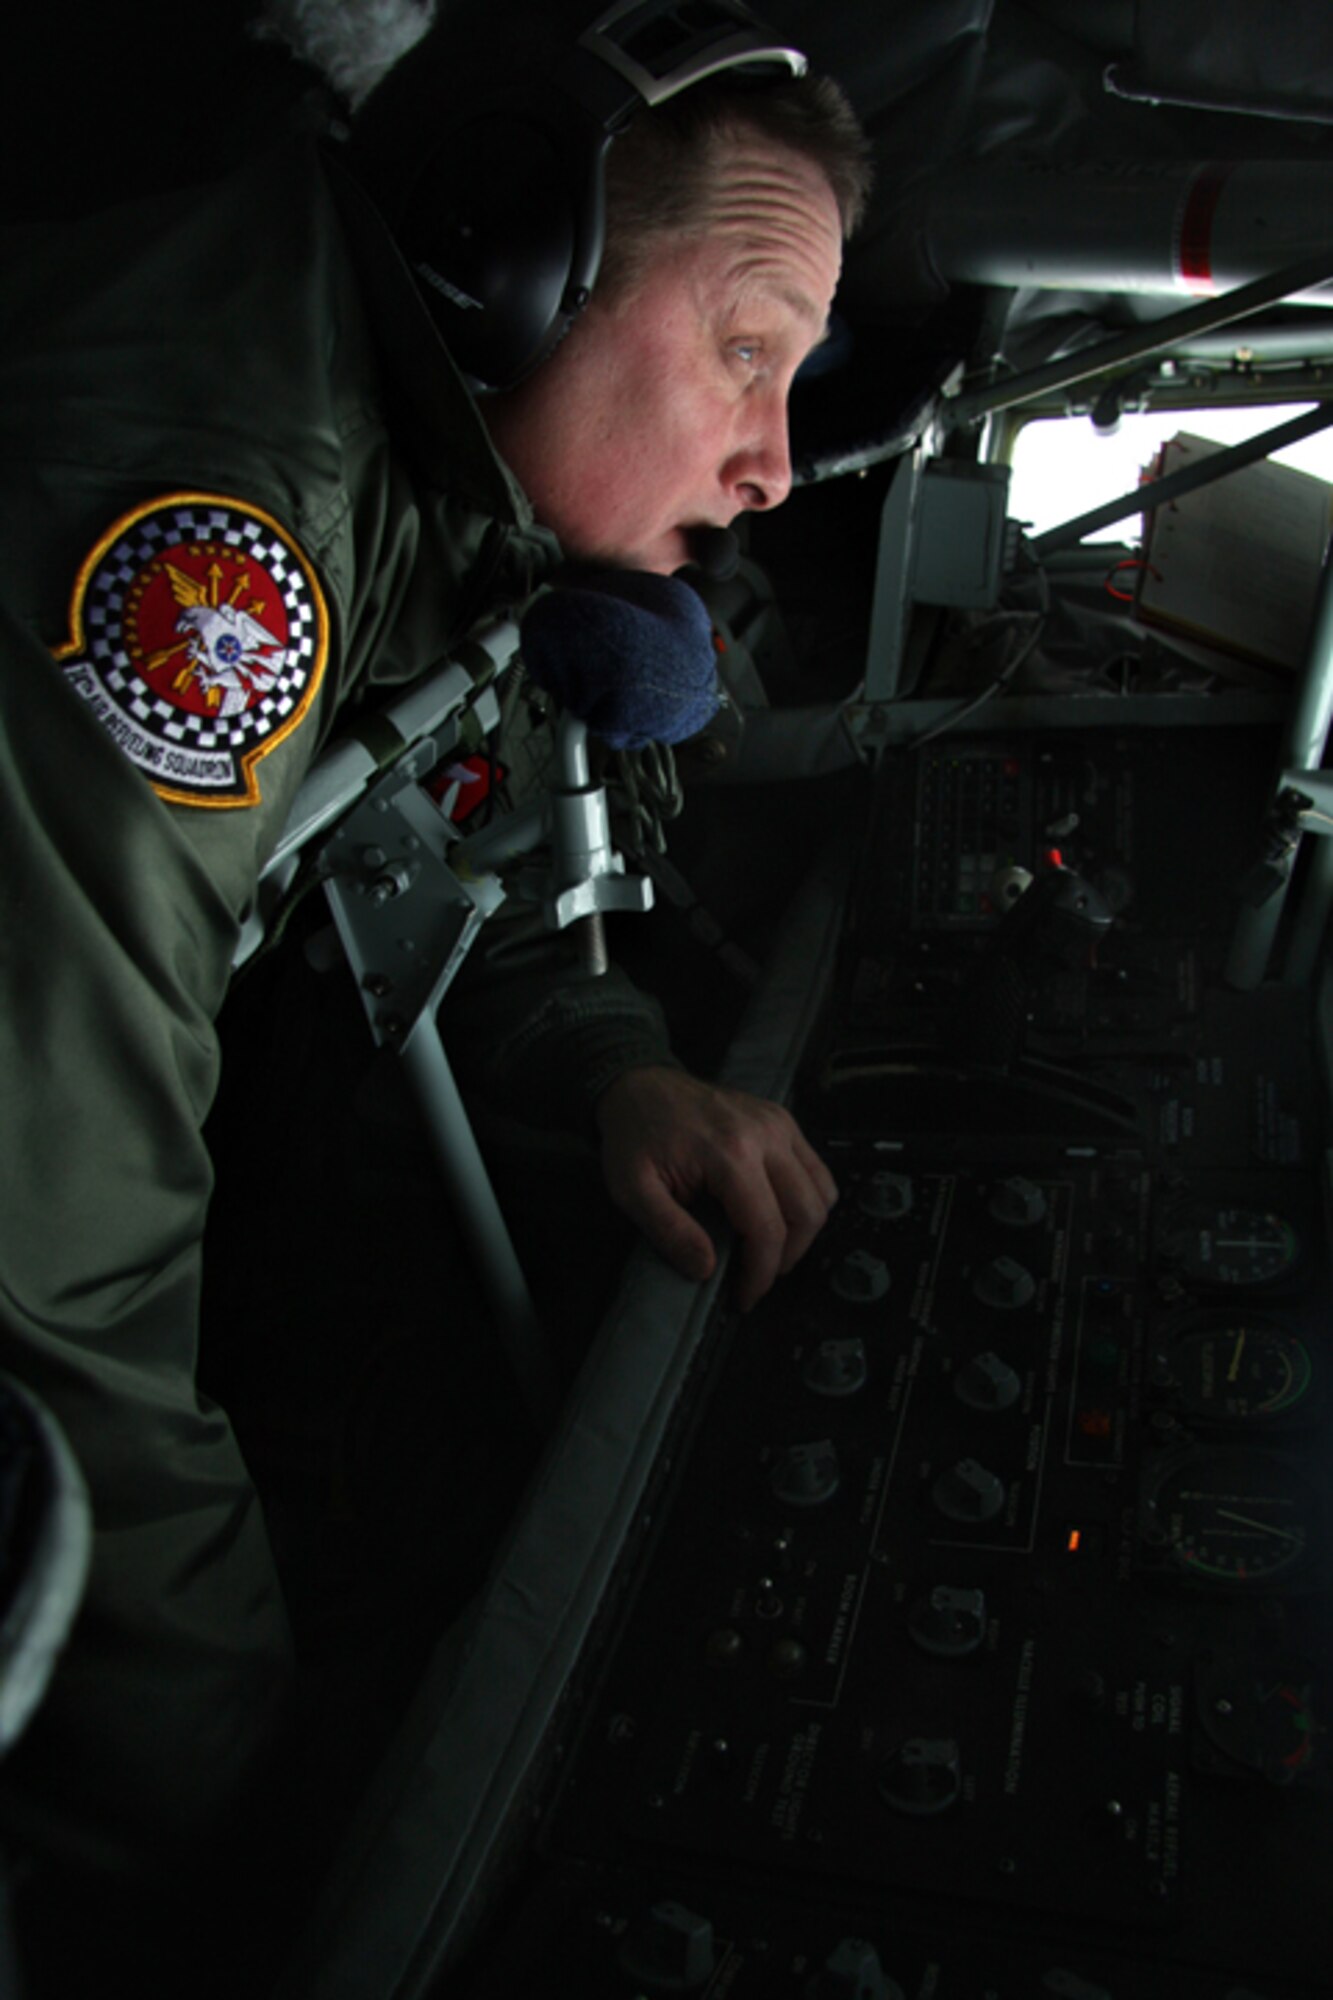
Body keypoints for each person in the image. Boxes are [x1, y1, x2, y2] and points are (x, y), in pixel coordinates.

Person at [0, 5, 870, 1983]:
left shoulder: (409, 455)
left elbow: (396, 840)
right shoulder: (217, 505)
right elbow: (38, 1267)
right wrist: (248, 1807)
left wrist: (608, 1061)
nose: (772, 463)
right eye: (747, 352)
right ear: (512, 255)